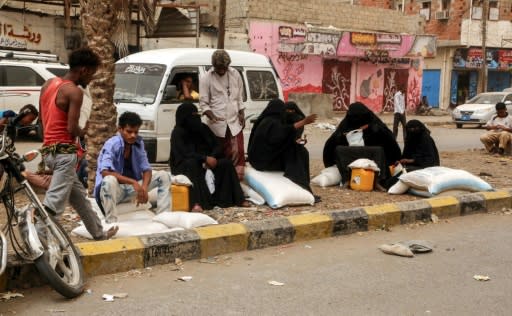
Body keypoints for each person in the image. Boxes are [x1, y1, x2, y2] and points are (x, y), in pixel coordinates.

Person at [39, 47, 118, 240]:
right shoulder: (74, 92)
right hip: (65, 152)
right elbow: (71, 128)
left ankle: (99, 233)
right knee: (55, 202)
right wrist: (84, 131)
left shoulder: (49, 84)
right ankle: (40, 240)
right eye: (91, 74)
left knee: (79, 197)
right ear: (83, 70)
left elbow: (43, 118)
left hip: (48, 151)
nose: (91, 79)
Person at [95, 111, 172, 223]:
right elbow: (105, 172)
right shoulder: (112, 144)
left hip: (132, 190)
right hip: (116, 191)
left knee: (164, 176)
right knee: (108, 180)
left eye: (136, 132)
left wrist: (144, 188)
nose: (133, 135)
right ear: (120, 129)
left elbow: (146, 169)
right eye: (129, 132)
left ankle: (164, 218)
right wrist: (133, 182)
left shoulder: (138, 143)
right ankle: (111, 222)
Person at [170, 102, 248, 211]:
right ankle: (196, 203)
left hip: (207, 161)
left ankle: (237, 199)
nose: (196, 118)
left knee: (226, 164)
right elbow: (184, 153)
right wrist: (203, 158)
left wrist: (212, 157)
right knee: (192, 164)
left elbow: (216, 145)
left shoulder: (202, 128)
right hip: (186, 164)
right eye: (192, 115)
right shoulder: (178, 133)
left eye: (196, 114)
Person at [247, 99, 320, 201]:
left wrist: (295, 141)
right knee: (299, 153)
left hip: (261, 159)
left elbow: (277, 141)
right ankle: (300, 183)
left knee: (297, 149)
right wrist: (303, 122)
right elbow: (281, 133)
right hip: (263, 162)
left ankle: (302, 184)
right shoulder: (271, 122)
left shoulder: (265, 120)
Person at [323, 102, 401, 190]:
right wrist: (345, 135)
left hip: (371, 153)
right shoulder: (346, 123)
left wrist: (370, 128)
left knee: (379, 150)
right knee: (339, 150)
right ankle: (347, 179)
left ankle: (377, 181)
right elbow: (331, 143)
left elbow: (389, 139)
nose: (357, 120)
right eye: (354, 117)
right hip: (351, 154)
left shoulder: (373, 122)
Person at [199, 49, 245, 180]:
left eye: (224, 67)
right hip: (216, 126)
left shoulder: (235, 74)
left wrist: (241, 112)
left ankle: (237, 182)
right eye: (219, 68)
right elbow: (203, 103)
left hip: (234, 123)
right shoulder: (206, 78)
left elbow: (239, 97)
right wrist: (211, 116)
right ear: (214, 66)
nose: (221, 70)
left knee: (238, 152)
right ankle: (221, 182)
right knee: (219, 155)